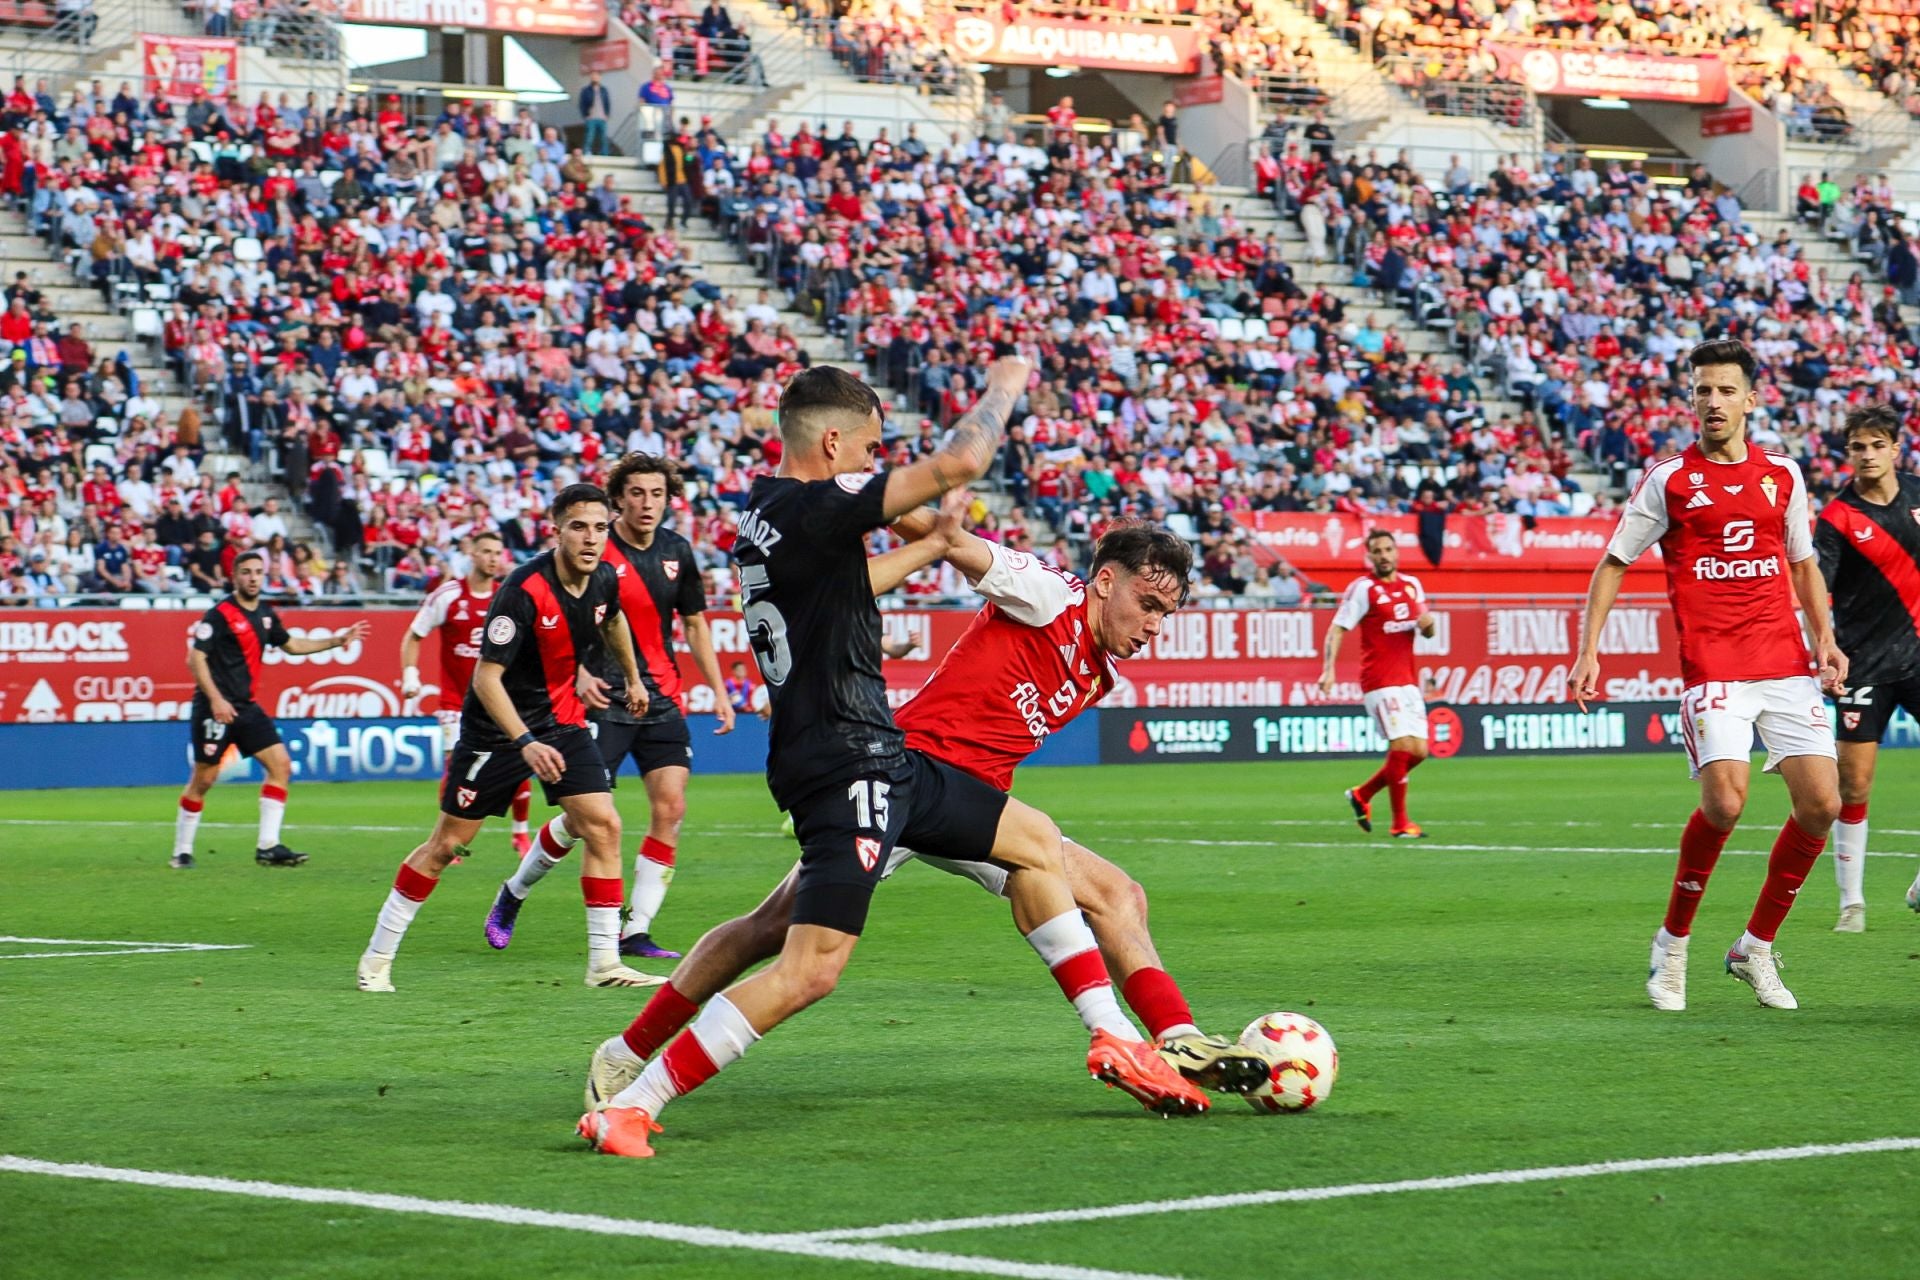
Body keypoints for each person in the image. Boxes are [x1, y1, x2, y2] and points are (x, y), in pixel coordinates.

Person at [578, 362, 1207, 1159]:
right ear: (834, 442)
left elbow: (846, 590)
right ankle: (634, 1098)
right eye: (869, 449)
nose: (874, 463)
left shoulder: (769, 520)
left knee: (1046, 855)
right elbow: (956, 472)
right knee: (807, 966)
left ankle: (1132, 1037)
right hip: (864, 765)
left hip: (895, 770)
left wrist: (933, 544)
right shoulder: (831, 510)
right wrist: (1008, 378)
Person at [585, 513, 1271, 1120]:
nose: (1152, 627)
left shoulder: (1097, 669)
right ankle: (625, 1052)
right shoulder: (1048, 593)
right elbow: (952, 542)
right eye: (1146, 605)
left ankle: (1169, 1039)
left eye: (1165, 616)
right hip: (897, 782)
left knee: (1112, 891)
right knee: (769, 932)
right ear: (1103, 581)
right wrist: (874, 503)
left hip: (967, 809)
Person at [1571, 338, 1846, 1012]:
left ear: (1751, 399)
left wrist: (1826, 641)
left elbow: (1803, 564)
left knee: (1823, 806)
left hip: (1783, 662)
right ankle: (1672, 946)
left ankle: (1754, 947)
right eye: (1702, 390)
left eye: (1725, 390)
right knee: (1725, 803)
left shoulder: (1783, 475)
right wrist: (1589, 651)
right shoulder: (1669, 479)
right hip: (1714, 664)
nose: (1712, 402)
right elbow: (1613, 562)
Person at [356, 485, 656, 993]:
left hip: (560, 721)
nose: (591, 538)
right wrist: (524, 742)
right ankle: (376, 959)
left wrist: (633, 677)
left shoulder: (604, 577)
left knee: (603, 825)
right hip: (496, 732)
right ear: (554, 530)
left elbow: (614, 620)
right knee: (448, 845)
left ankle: (604, 963)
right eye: (579, 527)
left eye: (601, 527)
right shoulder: (522, 591)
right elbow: (485, 680)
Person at [484, 454, 734, 964]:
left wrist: (721, 691)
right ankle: (515, 889)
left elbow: (694, 624)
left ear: (669, 498)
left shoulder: (677, 552)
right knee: (584, 822)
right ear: (617, 497)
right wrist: (576, 673)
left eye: (657, 494)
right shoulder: (591, 543)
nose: (647, 503)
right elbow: (557, 617)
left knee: (672, 807)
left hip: (659, 696)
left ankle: (635, 930)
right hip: (598, 700)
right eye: (637, 493)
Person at [172, 550, 370, 870]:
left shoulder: (265, 613)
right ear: (234, 577)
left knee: (281, 765)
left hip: (246, 708)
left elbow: (291, 645)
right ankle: (181, 851)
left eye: (258, 572)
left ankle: (268, 846)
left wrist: (337, 641)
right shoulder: (220, 614)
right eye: (246, 572)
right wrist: (216, 699)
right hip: (214, 708)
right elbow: (195, 659)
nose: (253, 578)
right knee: (204, 779)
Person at [1812, 403, 1920, 930]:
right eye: (1859, 446)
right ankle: (1851, 901)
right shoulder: (1836, 520)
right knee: (1853, 787)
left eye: (1879, 445)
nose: (1869, 455)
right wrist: (1823, 647)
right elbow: (1817, 588)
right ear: (1848, 453)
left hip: (1919, 655)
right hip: (1863, 667)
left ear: (1896, 449)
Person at [400, 530, 532, 856]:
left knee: (519, 762)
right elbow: (413, 635)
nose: (492, 558)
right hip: (454, 702)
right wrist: (410, 674)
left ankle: (520, 833)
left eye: (497, 552)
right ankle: (449, 837)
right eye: (486, 551)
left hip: (497, 701)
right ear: (471, 554)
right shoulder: (448, 595)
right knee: (455, 767)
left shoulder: (508, 596)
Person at [1318, 530, 1437, 838]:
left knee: (1419, 751)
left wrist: (1430, 625)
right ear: (1369, 556)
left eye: (1388, 549)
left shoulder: (1412, 586)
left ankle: (1362, 794)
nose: (1383, 555)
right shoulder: (1363, 589)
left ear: (1396, 552)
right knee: (1401, 746)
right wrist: (1328, 670)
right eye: (1377, 551)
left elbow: (1427, 630)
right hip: (1380, 681)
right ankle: (1400, 823)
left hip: (1408, 681)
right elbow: (1337, 628)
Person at [578, 71, 612, 157]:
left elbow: (607, 103)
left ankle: (605, 153)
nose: (594, 78)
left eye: (596, 76)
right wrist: (585, 115)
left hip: (602, 117)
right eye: (593, 76)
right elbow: (582, 104)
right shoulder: (586, 90)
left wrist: (607, 114)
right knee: (590, 136)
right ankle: (586, 152)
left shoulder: (604, 90)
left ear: (599, 77)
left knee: (603, 137)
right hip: (591, 117)